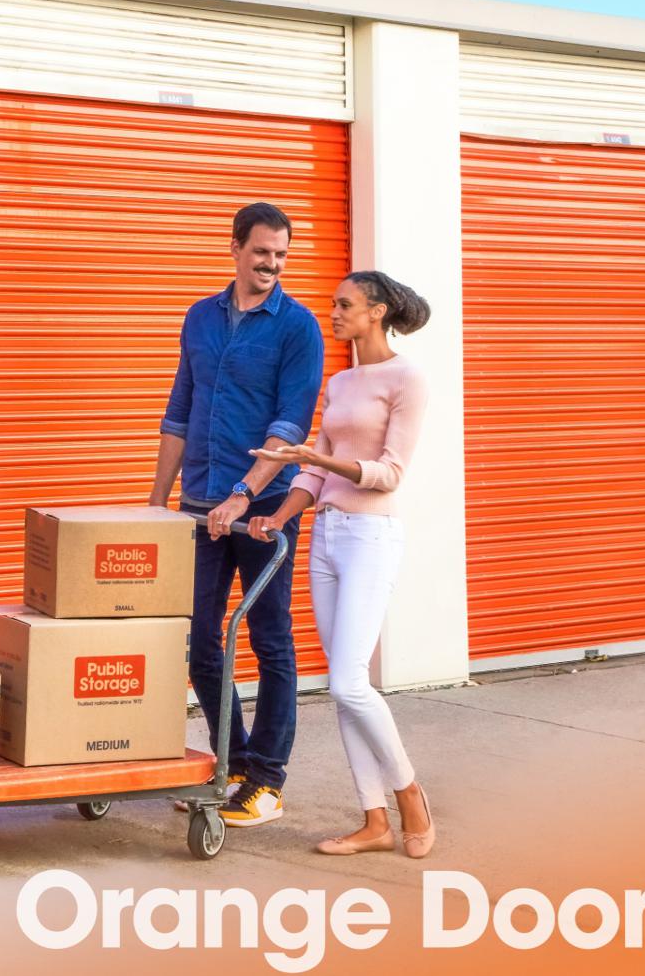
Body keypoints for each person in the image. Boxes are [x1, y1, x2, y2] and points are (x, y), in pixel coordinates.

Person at [246, 270, 436, 858]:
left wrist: (318, 459)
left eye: (345, 304)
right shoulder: (341, 381)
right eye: (333, 304)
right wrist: (277, 516)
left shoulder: (406, 378)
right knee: (343, 685)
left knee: (349, 682)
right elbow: (314, 467)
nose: (333, 312)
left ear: (377, 312)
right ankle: (374, 820)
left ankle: (410, 795)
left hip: (371, 536)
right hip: (326, 536)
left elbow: (389, 473)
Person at [149, 202, 325, 828]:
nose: (272, 264)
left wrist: (244, 495)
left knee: (269, 636)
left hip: (263, 511)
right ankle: (233, 762)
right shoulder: (200, 317)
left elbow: (290, 426)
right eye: (261, 253)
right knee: (199, 637)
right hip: (200, 505)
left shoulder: (298, 328)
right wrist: (156, 501)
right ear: (235, 248)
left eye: (281, 255)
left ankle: (267, 779)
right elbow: (180, 410)